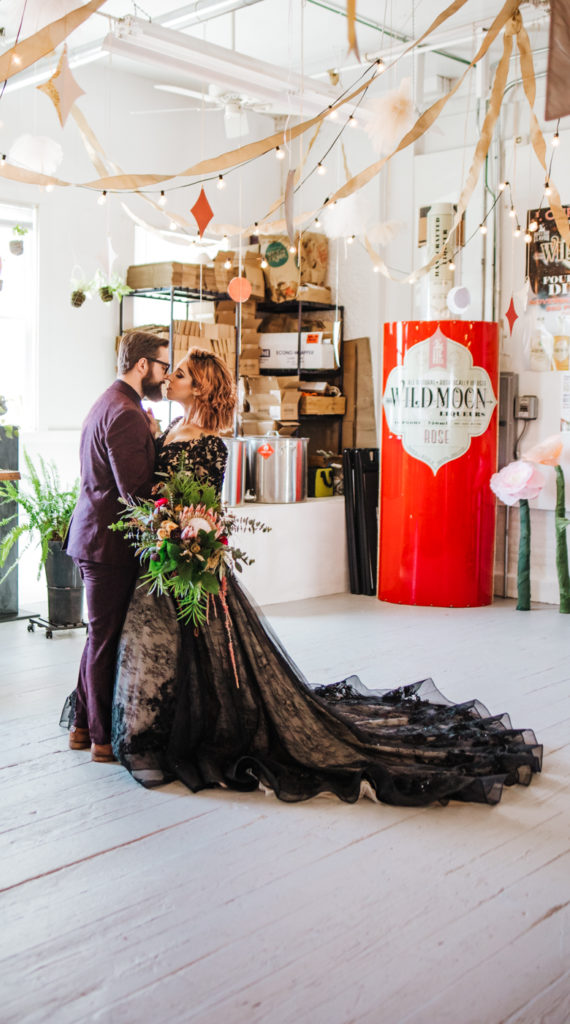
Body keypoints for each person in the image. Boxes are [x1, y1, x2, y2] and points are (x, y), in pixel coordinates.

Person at [66, 347, 542, 805]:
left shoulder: (210, 444)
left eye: (182, 374)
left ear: (201, 390)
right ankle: (140, 725)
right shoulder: (168, 424)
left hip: (185, 557)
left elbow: (205, 504)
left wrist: (192, 532)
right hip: (161, 559)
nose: (170, 377)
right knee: (149, 649)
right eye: (170, 371)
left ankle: (187, 729)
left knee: (193, 654)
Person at [64, 330, 170, 762]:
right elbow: (136, 493)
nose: (165, 375)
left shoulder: (110, 401)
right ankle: (103, 739)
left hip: (94, 538)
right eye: (163, 366)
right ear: (143, 365)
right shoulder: (125, 413)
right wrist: (170, 496)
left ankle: (80, 726)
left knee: (98, 636)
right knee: (106, 640)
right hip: (109, 546)